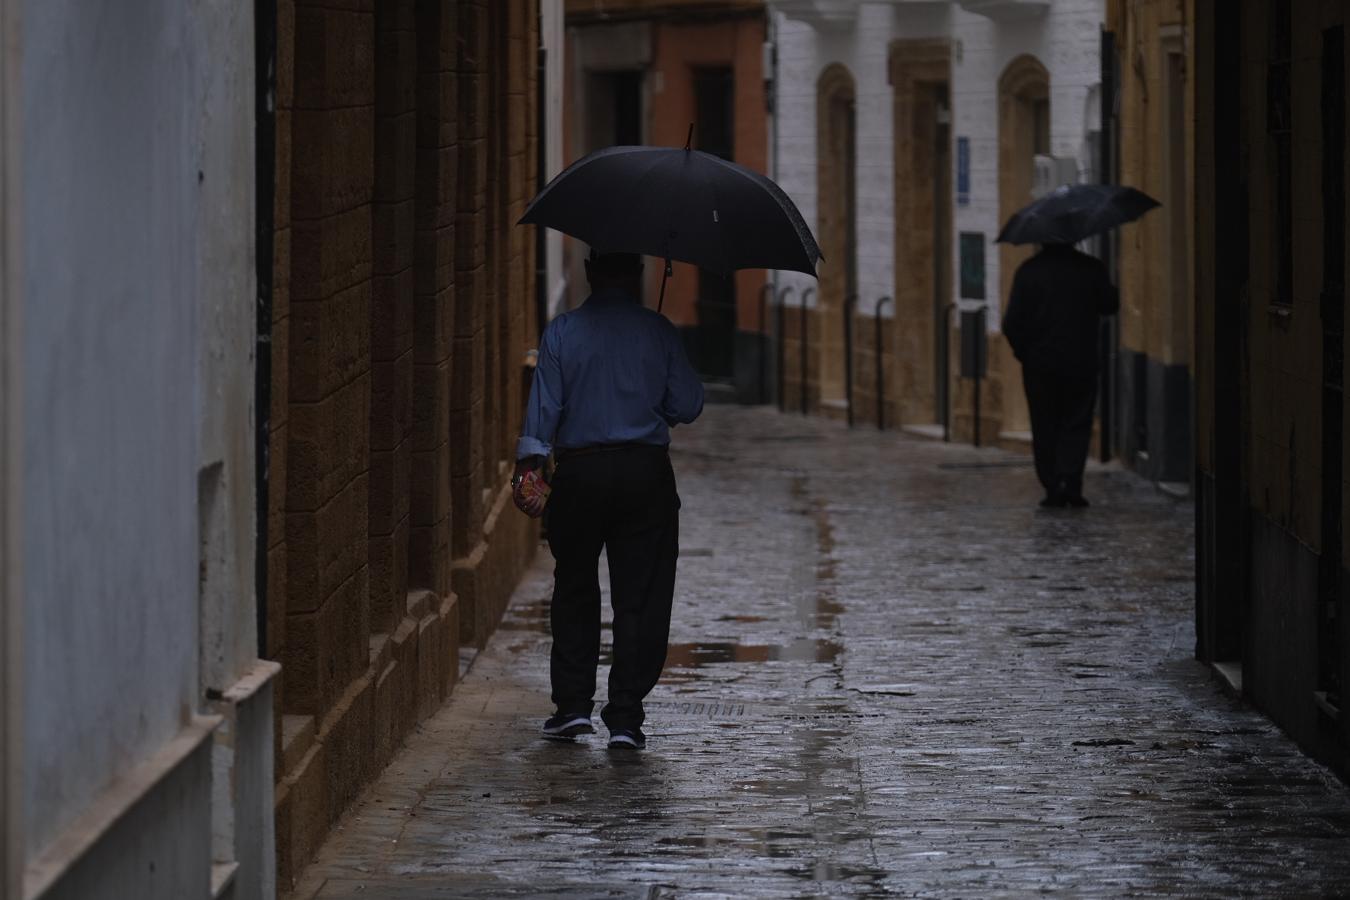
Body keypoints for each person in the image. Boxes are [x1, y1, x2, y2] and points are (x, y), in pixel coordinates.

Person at [513, 249, 704, 749]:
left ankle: (573, 707)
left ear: (590, 272)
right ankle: (625, 716)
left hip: (580, 472)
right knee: (640, 595)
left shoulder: (561, 332)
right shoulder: (659, 331)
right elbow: (687, 404)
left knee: (574, 586)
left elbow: (542, 414)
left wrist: (529, 468)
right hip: (645, 475)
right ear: (639, 275)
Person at [1002, 241, 1118, 508]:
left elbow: (1011, 323)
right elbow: (1110, 304)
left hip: (1040, 365)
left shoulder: (1028, 272)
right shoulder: (1091, 268)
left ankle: (1052, 486)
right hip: (1081, 361)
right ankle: (1071, 481)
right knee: (1077, 421)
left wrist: (1025, 353)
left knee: (1045, 424)